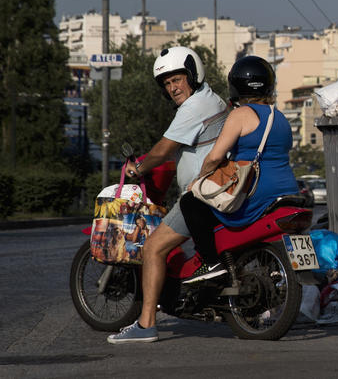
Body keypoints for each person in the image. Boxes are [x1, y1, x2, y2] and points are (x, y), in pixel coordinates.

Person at [107, 46, 227, 345]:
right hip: (220, 191)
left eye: (177, 79)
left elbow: (162, 150)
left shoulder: (194, 106)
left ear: (193, 75)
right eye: (167, 83)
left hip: (201, 196)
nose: (173, 87)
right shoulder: (213, 100)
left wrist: (139, 168)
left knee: (153, 249)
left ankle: (146, 323)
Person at [179, 55, 299, 283]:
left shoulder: (240, 115)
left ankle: (211, 262)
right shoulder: (281, 118)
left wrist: (199, 180)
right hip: (288, 191)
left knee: (191, 202)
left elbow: (214, 158)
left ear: (234, 85)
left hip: (254, 193)